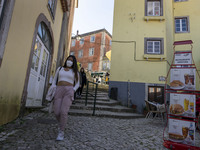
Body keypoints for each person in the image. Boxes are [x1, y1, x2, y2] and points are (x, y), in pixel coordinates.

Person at [52, 55, 79, 141]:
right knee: (56, 112)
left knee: (64, 112)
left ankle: (61, 131)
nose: (69, 61)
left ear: (73, 63)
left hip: (69, 91)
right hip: (59, 90)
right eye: (68, 60)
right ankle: (61, 124)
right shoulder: (59, 69)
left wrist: (73, 90)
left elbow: (77, 83)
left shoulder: (75, 72)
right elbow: (54, 79)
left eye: (71, 60)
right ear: (66, 60)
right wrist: (53, 86)